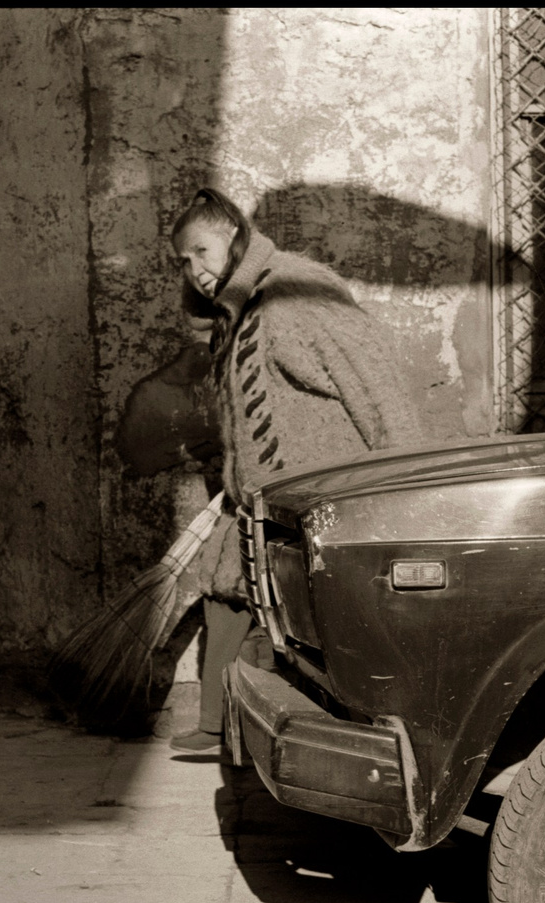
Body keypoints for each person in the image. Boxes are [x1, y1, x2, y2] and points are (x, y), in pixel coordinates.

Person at [164, 187, 433, 753]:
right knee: (224, 587)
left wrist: (408, 483)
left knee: (323, 634)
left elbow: (374, 384)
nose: (195, 272)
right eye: (184, 263)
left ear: (234, 235)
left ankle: (355, 743)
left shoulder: (294, 294)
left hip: (323, 507)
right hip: (263, 505)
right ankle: (219, 726)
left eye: (202, 252)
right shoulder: (240, 311)